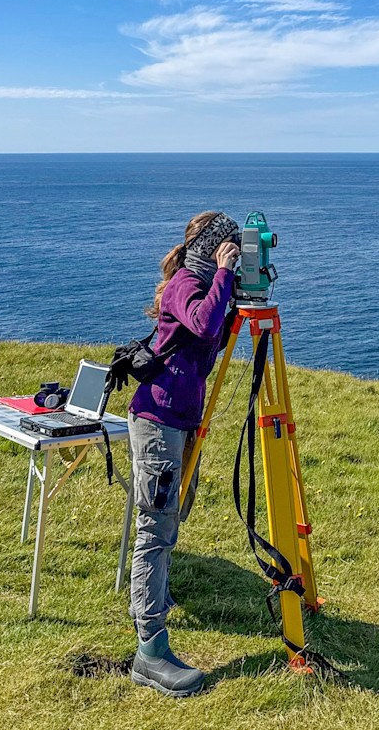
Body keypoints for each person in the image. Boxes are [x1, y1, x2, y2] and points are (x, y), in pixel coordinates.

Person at [126, 210, 240, 697]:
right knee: (156, 528)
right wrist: (225, 275)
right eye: (230, 247)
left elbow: (215, 330)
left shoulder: (204, 283)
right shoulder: (185, 284)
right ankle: (149, 650)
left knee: (173, 515)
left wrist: (234, 287)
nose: (234, 255)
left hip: (181, 418)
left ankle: (149, 596)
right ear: (213, 248)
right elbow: (204, 322)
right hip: (158, 419)